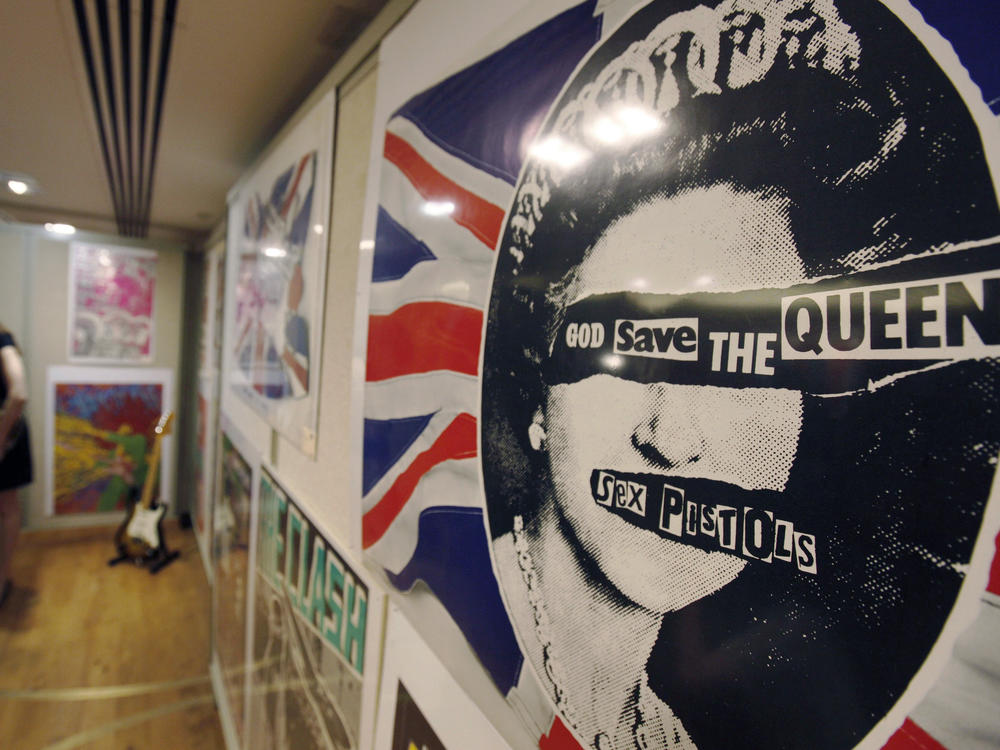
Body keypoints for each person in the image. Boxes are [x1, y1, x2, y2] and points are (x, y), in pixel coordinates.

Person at [481, 1, 1000, 749]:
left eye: (745, 361)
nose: (671, 437)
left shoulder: (662, 736)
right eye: (625, 349)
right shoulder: (481, 658)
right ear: (538, 396)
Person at [0, 324, 32, 608]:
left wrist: (0, 436)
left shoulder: (2, 339)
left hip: (5, 436)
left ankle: (2, 579)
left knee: (7, 506)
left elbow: (19, 392)